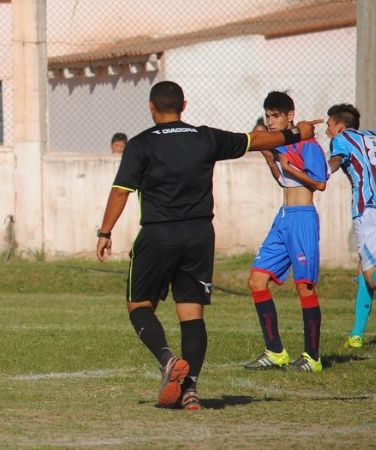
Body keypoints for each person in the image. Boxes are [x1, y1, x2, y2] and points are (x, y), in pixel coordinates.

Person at [95, 81, 318, 410]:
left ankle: (168, 360)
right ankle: (190, 391)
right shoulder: (205, 137)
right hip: (199, 235)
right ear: (184, 105)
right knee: (192, 314)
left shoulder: (140, 144)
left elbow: (120, 191)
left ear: (151, 107)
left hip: (158, 234)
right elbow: (256, 140)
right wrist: (296, 134)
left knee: (139, 305)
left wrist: (105, 231)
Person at [244, 92, 328, 373]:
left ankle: (312, 357)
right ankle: (275, 352)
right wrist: (272, 160)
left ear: (290, 116)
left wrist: (289, 165)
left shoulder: (308, 145)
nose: (270, 121)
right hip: (282, 218)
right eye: (267, 116)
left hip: (302, 219)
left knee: (304, 285)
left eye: (275, 115)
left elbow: (319, 183)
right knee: (257, 280)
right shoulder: (280, 143)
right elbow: (284, 181)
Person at [325, 104, 376, 349]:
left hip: (368, 210)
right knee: (363, 268)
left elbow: (337, 159)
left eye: (329, 125)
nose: (327, 131)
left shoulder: (341, 139)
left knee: (373, 278)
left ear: (340, 126)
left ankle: (357, 333)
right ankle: (356, 334)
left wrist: (320, 171)